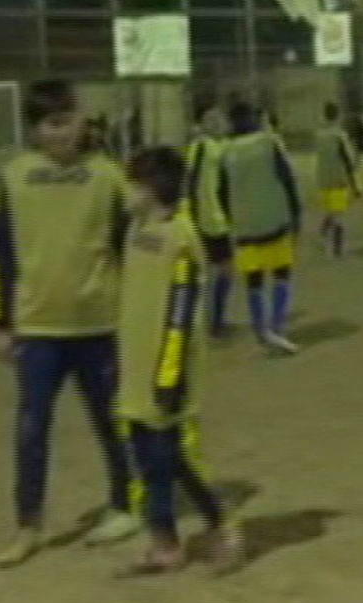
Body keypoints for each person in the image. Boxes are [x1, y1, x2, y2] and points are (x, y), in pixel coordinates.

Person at [0, 80, 138, 568]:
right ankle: (29, 524)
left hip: (100, 324)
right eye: (53, 124)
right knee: (31, 428)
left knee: (113, 422)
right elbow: (0, 255)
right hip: (39, 329)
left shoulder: (108, 176)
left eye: (71, 120)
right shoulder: (13, 178)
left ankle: (124, 504)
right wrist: (1, 321)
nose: (66, 132)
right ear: (35, 129)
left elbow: (128, 247)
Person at [116, 146, 244, 575]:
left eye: (132, 184)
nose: (126, 191)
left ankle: (219, 526)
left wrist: (168, 377)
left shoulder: (182, 239)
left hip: (165, 374)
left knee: (165, 460)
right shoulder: (135, 229)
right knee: (153, 461)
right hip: (135, 370)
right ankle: (169, 543)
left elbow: (182, 311)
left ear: (152, 190)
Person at [219, 100, 303, 355]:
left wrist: (231, 218)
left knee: (253, 280)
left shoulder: (226, 152)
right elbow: (287, 179)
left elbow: (221, 191)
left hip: (245, 227)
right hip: (275, 219)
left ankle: (260, 329)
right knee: (282, 273)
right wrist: (296, 213)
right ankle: (277, 327)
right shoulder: (269, 143)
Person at [184, 103, 235, 336]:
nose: (219, 125)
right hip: (205, 219)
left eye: (220, 121)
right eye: (213, 121)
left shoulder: (220, 147)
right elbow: (190, 183)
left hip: (218, 220)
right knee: (206, 273)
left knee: (222, 271)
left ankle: (214, 320)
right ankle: (206, 321)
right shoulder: (200, 148)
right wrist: (191, 217)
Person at [314, 102, 362, 258]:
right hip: (337, 180)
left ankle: (323, 233)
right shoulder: (339, 135)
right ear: (337, 115)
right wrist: (355, 184)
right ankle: (337, 250)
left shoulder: (319, 134)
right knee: (339, 215)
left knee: (331, 211)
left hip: (322, 179)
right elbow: (346, 159)